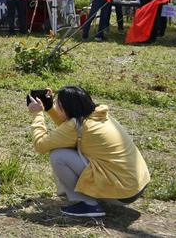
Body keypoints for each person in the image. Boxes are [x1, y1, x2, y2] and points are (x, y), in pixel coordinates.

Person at [28, 85, 150, 218]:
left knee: (58, 156)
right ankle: (91, 195)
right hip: (136, 185)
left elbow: (40, 145)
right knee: (67, 148)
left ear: (67, 109)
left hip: (123, 193)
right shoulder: (96, 115)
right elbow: (68, 129)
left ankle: (88, 204)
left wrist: (37, 114)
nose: (55, 105)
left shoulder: (75, 126)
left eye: (57, 104)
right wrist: (50, 108)